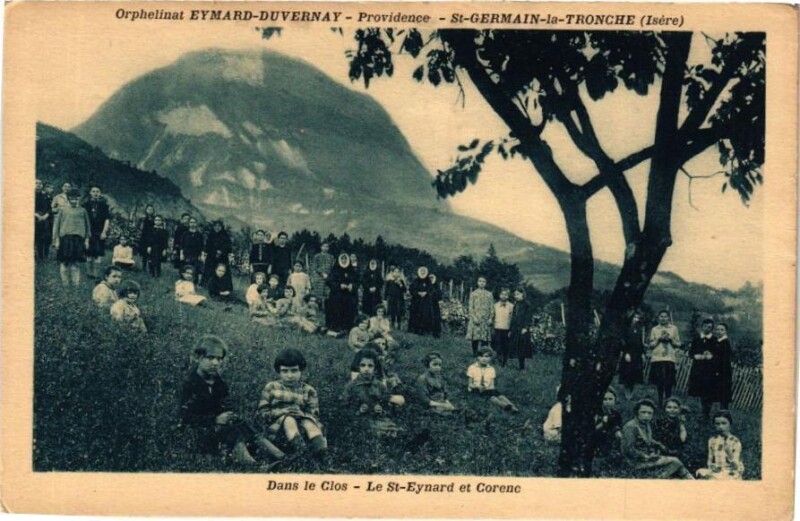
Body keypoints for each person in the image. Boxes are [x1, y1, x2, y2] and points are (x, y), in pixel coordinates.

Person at [180, 335, 284, 466]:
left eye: (219, 359)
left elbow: (223, 405)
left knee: (242, 424)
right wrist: (215, 419)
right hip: (198, 432)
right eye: (210, 358)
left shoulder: (218, 382)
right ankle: (254, 466)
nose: (215, 363)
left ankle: (280, 456)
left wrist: (228, 414)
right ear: (198, 358)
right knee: (233, 432)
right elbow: (185, 417)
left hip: (219, 428)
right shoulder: (190, 384)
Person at [257, 348, 327, 458]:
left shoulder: (309, 390)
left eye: (294, 371)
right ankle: (302, 453)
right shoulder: (272, 387)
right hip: (278, 425)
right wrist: (282, 412)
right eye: (285, 371)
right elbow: (263, 411)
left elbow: (314, 414)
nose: (290, 375)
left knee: (310, 424)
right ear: (278, 371)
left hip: (302, 421)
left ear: (301, 371)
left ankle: (322, 453)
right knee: (289, 419)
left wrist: (302, 414)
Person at [621, 399, 694, 479]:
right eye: (643, 412)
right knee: (676, 462)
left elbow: (648, 439)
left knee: (678, 467)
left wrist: (659, 445)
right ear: (637, 412)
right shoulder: (631, 427)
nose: (646, 416)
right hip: (635, 462)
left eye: (649, 413)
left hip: (647, 457)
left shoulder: (646, 424)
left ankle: (691, 480)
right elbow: (628, 449)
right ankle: (657, 478)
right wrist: (645, 456)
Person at [52, 188, 90, 287]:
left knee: (75, 263)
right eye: (71, 199)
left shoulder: (83, 211)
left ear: (78, 199)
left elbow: (87, 226)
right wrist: (57, 240)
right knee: (64, 263)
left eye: (76, 199)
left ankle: (75, 285)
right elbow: (57, 225)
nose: (74, 201)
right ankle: (65, 284)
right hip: (65, 239)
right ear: (68, 199)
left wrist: (86, 240)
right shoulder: (63, 210)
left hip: (78, 240)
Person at [466, 346, 519, 412]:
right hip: (476, 390)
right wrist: (477, 386)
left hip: (488, 389)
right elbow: (470, 384)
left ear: (490, 358)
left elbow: (492, 385)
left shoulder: (491, 369)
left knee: (500, 396)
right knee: (492, 398)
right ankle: (505, 406)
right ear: (477, 357)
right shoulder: (472, 368)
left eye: (487, 357)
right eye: (481, 356)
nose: (484, 359)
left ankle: (513, 406)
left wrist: (488, 388)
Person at [647, 310, 682, 407]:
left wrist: (671, 340)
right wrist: (658, 339)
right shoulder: (655, 329)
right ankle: (660, 401)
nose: (663, 318)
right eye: (661, 316)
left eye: (665, 316)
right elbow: (651, 345)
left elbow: (678, 344)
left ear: (668, 318)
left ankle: (668, 400)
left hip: (669, 358)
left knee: (668, 381)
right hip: (658, 358)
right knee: (659, 381)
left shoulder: (674, 329)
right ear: (658, 318)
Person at [696, 410, 744, 480]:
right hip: (717, 472)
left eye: (724, 423)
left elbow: (736, 466)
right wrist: (712, 467)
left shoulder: (735, 441)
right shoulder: (712, 440)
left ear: (730, 424)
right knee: (700, 472)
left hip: (731, 472)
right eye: (717, 424)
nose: (721, 427)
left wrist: (729, 453)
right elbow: (710, 460)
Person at [343, 348, 390, 415]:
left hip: (381, 421)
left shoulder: (380, 386)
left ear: (375, 369)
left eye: (370, 366)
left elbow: (388, 406)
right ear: (358, 367)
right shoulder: (351, 386)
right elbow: (344, 406)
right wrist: (359, 411)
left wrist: (381, 410)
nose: (366, 369)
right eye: (363, 365)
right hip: (359, 422)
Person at [688, 318, 718, 416]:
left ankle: (706, 413)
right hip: (698, 368)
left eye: (710, 327)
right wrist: (696, 355)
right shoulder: (697, 338)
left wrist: (711, 356)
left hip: (709, 369)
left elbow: (717, 354)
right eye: (705, 326)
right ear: (702, 327)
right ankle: (700, 410)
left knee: (708, 391)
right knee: (699, 390)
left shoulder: (714, 340)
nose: (707, 329)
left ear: (712, 329)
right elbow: (691, 352)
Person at [83, 186, 111, 279]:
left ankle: (96, 274)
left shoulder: (104, 205)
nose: (95, 193)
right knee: (88, 253)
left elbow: (107, 220)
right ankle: (88, 273)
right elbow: (83, 220)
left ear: (100, 193)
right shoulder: (86, 205)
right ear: (90, 193)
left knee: (98, 253)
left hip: (99, 231)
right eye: (93, 191)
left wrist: (104, 232)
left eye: (97, 191)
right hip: (89, 231)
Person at [326, 253, 357, 336]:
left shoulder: (351, 270)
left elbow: (357, 281)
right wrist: (339, 285)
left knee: (349, 309)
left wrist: (352, 285)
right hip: (337, 295)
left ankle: (347, 327)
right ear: (339, 260)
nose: (344, 260)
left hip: (349, 295)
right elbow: (329, 281)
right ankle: (336, 327)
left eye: (345, 259)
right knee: (336, 309)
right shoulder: (335, 270)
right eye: (342, 259)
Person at [619, 311, 646, 400]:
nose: (636, 319)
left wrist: (642, 354)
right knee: (627, 373)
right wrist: (626, 353)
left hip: (637, 354)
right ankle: (627, 392)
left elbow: (640, 343)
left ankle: (631, 392)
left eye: (638, 318)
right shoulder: (626, 328)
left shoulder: (640, 329)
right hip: (628, 354)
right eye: (635, 317)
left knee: (634, 375)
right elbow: (624, 342)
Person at [466, 276, 494, 356]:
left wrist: (490, 318)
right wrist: (474, 317)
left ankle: (483, 353)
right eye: (480, 281)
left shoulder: (489, 294)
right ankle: (475, 353)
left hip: (485, 319)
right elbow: (470, 307)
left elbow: (491, 307)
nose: (482, 283)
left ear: (486, 283)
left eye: (483, 281)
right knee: (475, 337)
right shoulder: (473, 294)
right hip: (476, 318)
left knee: (484, 338)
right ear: (477, 282)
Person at [709, 323, 734, 412]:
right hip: (715, 371)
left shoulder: (725, 343)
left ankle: (724, 414)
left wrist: (718, 371)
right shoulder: (716, 342)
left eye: (722, 330)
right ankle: (707, 415)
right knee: (711, 393)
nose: (719, 331)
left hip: (723, 373)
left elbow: (724, 360)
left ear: (726, 331)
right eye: (717, 329)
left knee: (723, 395)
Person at [508, 287, 534, 370]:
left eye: (518, 294)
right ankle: (519, 365)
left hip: (523, 329)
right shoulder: (516, 304)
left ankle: (522, 367)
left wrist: (526, 327)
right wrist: (510, 330)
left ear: (522, 294)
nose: (516, 296)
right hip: (516, 328)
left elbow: (529, 317)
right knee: (517, 347)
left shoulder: (527, 304)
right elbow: (514, 318)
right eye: (515, 294)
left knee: (522, 348)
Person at [593, 387, 623, 457]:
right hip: (597, 440)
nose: (607, 402)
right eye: (604, 399)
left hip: (610, 440)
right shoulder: (596, 413)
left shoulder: (616, 414)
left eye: (610, 399)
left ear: (615, 400)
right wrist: (603, 423)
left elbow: (618, 425)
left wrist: (617, 431)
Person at [203, 221, 232, 287]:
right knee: (208, 270)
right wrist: (214, 252)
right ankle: (205, 285)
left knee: (221, 271)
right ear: (213, 227)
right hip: (211, 257)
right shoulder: (211, 235)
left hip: (222, 258)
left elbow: (228, 247)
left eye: (219, 226)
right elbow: (207, 247)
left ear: (222, 227)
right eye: (215, 226)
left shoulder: (225, 236)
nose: (217, 228)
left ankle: (222, 286)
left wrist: (221, 251)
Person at [408, 266, 435, 335]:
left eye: (424, 272)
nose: (422, 273)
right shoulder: (416, 281)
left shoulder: (428, 281)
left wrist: (426, 293)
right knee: (415, 315)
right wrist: (417, 293)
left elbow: (431, 290)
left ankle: (424, 331)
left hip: (425, 302)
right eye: (421, 272)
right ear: (419, 272)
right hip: (416, 301)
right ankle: (415, 330)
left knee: (425, 315)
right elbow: (411, 289)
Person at [492, 288, 514, 366]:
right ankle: (498, 359)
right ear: (499, 295)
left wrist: (511, 329)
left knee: (506, 345)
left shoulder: (511, 306)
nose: (504, 296)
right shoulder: (495, 305)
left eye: (506, 295)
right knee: (498, 344)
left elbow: (512, 318)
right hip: (497, 327)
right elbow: (493, 315)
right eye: (502, 294)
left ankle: (505, 360)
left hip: (506, 328)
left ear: (508, 296)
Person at [309, 242, 334, 308]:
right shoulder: (317, 256)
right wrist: (321, 273)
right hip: (318, 277)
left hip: (328, 277)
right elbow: (314, 267)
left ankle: (326, 308)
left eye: (327, 247)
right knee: (318, 293)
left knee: (327, 293)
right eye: (324, 246)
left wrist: (329, 275)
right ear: (321, 247)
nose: (325, 248)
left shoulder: (331, 257)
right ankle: (318, 308)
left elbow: (332, 267)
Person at [180, 218, 204, 282]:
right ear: (189, 224)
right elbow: (182, 245)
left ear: (196, 224)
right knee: (186, 268)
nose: (192, 224)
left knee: (195, 270)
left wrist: (201, 255)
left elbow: (202, 246)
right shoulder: (185, 234)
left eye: (194, 222)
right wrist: (181, 254)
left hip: (196, 255)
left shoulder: (199, 235)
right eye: (191, 222)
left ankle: (194, 284)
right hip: (187, 254)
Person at [34, 179, 52, 262]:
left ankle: (44, 256)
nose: (38, 185)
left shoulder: (46, 196)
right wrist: (36, 215)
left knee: (44, 237)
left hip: (44, 219)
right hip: (34, 219)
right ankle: (36, 255)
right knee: (35, 238)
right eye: (36, 183)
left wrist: (45, 216)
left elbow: (49, 208)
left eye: (40, 183)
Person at [139, 204, 156, 271]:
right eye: (148, 209)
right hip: (144, 237)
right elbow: (140, 228)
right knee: (144, 254)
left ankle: (151, 268)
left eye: (151, 210)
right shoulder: (143, 219)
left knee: (151, 253)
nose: (150, 211)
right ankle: (143, 267)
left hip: (152, 237)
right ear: (146, 210)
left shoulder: (154, 219)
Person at [428, 273, 443, 338]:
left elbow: (439, 295)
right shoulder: (426, 285)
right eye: (430, 278)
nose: (431, 279)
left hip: (434, 304)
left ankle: (436, 333)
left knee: (436, 318)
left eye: (432, 278)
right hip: (426, 304)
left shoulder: (436, 286)